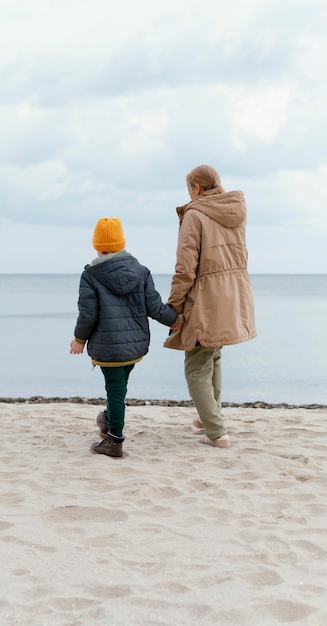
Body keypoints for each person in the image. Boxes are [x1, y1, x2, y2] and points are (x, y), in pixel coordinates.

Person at [70, 217, 180, 458]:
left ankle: (114, 441)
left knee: (115, 390)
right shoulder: (141, 271)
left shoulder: (90, 275)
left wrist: (79, 339)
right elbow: (154, 307)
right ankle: (108, 419)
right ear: (122, 244)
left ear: (97, 245)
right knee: (119, 386)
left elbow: (88, 314)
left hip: (107, 347)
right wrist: (176, 320)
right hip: (135, 345)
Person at [164, 164, 257, 448]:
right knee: (212, 355)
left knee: (195, 365)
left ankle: (217, 433)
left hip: (205, 297)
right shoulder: (235, 210)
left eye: (189, 189)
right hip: (233, 295)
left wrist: (174, 305)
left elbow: (185, 267)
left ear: (196, 188)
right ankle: (208, 418)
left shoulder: (195, 214)